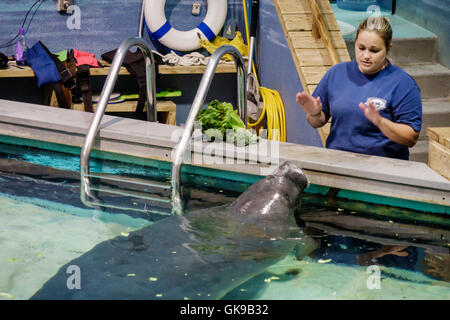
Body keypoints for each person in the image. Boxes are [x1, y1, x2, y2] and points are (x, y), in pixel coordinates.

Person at [296, 16, 422, 160]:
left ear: (388, 48)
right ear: (355, 43)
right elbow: (315, 122)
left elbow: (410, 138)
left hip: (383, 171)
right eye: (361, 48)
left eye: (374, 50)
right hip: (338, 164)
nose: (366, 55)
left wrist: (381, 122)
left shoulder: (403, 84)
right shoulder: (337, 73)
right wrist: (315, 114)